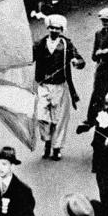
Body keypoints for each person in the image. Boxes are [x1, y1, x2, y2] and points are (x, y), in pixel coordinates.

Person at [32, 15, 85, 161]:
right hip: (43, 85)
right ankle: (47, 141)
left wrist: (76, 61)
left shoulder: (67, 45)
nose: (54, 30)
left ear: (62, 30)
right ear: (48, 28)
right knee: (41, 116)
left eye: (57, 28)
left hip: (60, 86)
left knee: (58, 118)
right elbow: (29, 57)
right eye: (52, 27)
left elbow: (81, 60)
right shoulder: (40, 44)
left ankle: (56, 148)